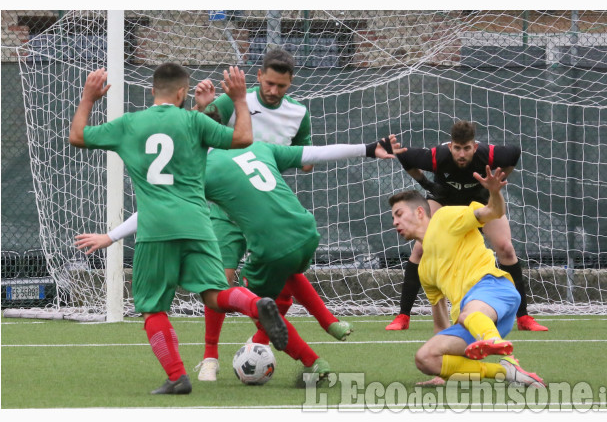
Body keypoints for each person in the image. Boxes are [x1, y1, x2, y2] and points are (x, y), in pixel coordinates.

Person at [76, 136, 401, 385]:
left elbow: (154, 209)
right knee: (285, 276)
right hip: (306, 230)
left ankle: (313, 363)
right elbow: (315, 153)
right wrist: (370, 148)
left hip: (269, 245)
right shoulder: (259, 146)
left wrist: (111, 236)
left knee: (239, 300)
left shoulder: (201, 171)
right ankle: (328, 322)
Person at [69, 63, 288, 395]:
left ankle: (177, 377)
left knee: (153, 307)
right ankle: (254, 305)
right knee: (215, 295)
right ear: (183, 93)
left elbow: (78, 136)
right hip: (198, 224)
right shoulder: (194, 120)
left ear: (152, 91)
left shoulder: (130, 124)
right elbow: (243, 137)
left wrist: (88, 98)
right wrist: (240, 99)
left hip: (156, 229)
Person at [192, 47, 352, 381]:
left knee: (279, 270)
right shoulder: (235, 99)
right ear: (259, 77)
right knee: (221, 279)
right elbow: (199, 129)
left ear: (291, 83)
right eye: (268, 84)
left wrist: (305, 161)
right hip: (225, 204)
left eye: (281, 86)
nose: (273, 91)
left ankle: (276, 338)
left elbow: (305, 153)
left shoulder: (298, 113)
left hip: (265, 204)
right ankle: (210, 357)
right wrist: (203, 106)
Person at [385, 120, 548, 332]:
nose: (462, 154)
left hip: (480, 202)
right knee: (420, 248)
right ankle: (403, 316)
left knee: (506, 248)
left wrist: (496, 184)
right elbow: (405, 157)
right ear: (450, 146)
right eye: (457, 148)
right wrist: (427, 184)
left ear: (475, 146)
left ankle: (524, 318)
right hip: (443, 199)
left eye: (467, 148)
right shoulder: (438, 156)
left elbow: (514, 154)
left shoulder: (488, 155)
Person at [388, 167, 544, 387]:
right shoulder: (424, 269)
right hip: (474, 322)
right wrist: (442, 371)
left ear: (420, 213)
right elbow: (440, 322)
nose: (394, 222)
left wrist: (494, 192)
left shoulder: (444, 218)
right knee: (425, 358)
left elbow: (493, 212)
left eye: (399, 214)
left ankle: (493, 340)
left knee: (467, 312)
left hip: (494, 289)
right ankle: (505, 371)